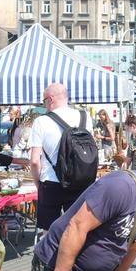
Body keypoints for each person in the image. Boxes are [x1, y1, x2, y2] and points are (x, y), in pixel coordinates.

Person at [30, 83, 94, 231]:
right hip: (80, 181)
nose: (44, 104)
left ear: (51, 99)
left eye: (44, 100)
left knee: (49, 232)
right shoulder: (84, 117)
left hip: (51, 181)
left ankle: (52, 254)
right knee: (78, 229)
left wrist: (37, 183)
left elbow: (34, 161)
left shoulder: (41, 121)